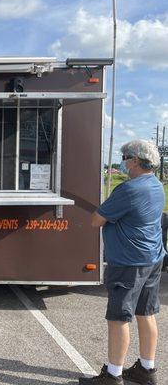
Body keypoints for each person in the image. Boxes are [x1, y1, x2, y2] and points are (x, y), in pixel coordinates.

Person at [79, 140, 166, 385]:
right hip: (153, 258)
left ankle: (113, 375)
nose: (123, 161)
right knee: (146, 313)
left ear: (135, 160)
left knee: (119, 318)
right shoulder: (156, 185)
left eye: (125, 157)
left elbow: (96, 220)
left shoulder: (128, 190)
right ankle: (147, 370)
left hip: (128, 263)